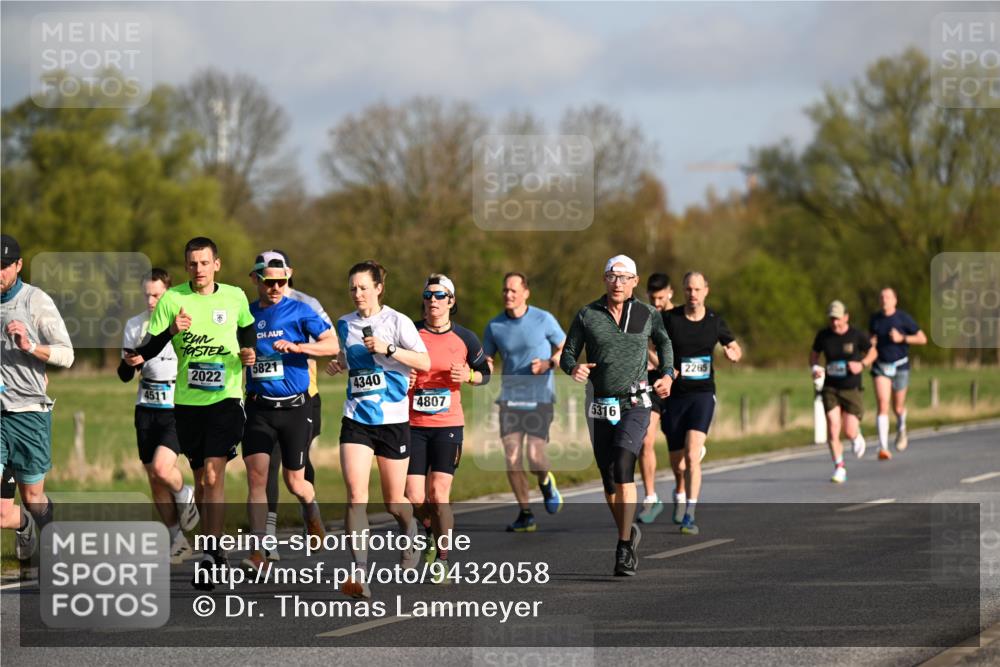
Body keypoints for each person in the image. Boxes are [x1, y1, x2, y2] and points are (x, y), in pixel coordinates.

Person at [125, 237, 256, 590]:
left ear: (217, 264)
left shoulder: (234, 297)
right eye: (192, 263)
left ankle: (211, 555)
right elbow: (149, 348)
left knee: (213, 477)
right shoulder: (173, 299)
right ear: (186, 267)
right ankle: (215, 546)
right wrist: (171, 331)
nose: (198, 269)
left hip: (226, 398)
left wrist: (249, 351)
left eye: (204, 262)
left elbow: (247, 327)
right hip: (186, 403)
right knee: (200, 481)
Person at [560, 255, 674, 577]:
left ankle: (624, 546)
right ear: (604, 279)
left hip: (636, 402)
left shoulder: (647, 314)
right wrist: (574, 368)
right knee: (609, 478)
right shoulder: (588, 315)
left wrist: (666, 374)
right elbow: (568, 354)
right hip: (599, 405)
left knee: (625, 463)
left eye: (625, 278)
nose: (618, 283)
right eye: (612, 276)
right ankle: (628, 531)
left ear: (635, 282)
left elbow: (664, 343)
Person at [326, 261, 430, 599]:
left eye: (363, 287)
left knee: (393, 502)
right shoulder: (344, 323)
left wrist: (389, 349)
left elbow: (424, 362)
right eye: (353, 288)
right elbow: (347, 355)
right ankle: (359, 573)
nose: (357, 293)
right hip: (356, 417)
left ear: (378, 288)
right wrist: (339, 363)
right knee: (356, 496)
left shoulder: (397, 322)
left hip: (393, 419)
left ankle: (409, 526)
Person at [241, 254, 339, 572]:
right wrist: (242, 355)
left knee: (295, 481)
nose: (275, 287)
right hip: (258, 407)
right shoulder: (246, 314)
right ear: (256, 279)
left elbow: (332, 345)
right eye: (269, 282)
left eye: (281, 281)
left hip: (295, 408)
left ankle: (311, 513)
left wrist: (298, 348)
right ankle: (259, 551)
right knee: (256, 478)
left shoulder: (300, 310)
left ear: (289, 277)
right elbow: (230, 348)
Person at [405, 274, 491, 583]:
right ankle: (429, 531)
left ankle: (443, 557)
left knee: (438, 495)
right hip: (412, 424)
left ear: (451, 301)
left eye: (439, 296)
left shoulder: (465, 338)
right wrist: (406, 380)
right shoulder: (410, 333)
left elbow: (485, 373)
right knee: (414, 495)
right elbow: (390, 368)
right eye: (428, 296)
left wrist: (468, 375)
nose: (432, 301)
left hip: (448, 425)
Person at [0, 234, 74, 564]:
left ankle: (37, 526)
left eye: (3, 267)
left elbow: (66, 355)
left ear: (18, 265)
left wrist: (29, 346)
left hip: (28, 414)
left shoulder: (35, 301)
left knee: (33, 497)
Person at [118, 268, 199, 564]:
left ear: (169, 292)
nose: (151, 301)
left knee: (164, 469)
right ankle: (176, 538)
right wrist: (130, 363)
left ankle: (184, 491)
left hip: (176, 407)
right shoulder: (135, 325)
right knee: (153, 477)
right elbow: (124, 375)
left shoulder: (183, 322)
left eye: (157, 295)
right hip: (146, 408)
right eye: (146, 295)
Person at [483, 272, 566, 532]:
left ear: (525, 293)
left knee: (534, 455)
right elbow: (486, 358)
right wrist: (481, 368)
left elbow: (566, 349)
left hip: (540, 397)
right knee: (512, 458)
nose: (508, 295)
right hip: (509, 399)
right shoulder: (494, 326)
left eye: (513, 290)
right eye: (505, 290)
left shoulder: (543, 319)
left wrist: (548, 363)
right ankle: (526, 513)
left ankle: (545, 481)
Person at [660, 272, 742, 535]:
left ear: (706, 290)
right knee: (678, 463)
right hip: (674, 397)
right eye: (688, 290)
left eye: (697, 289)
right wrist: (665, 369)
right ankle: (679, 488)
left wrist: (733, 353)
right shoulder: (670, 319)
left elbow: (734, 346)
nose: (693, 294)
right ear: (683, 292)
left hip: (703, 395)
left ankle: (690, 515)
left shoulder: (714, 321)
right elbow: (650, 345)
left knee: (693, 455)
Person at [810, 300, 877, 483]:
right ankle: (839, 467)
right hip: (830, 387)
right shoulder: (823, 336)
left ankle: (856, 435)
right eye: (832, 319)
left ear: (846, 317)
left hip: (851, 387)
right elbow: (814, 354)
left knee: (848, 430)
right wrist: (815, 368)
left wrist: (862, 364)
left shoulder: (856, 335)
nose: (834, 322)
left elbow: (872, 352)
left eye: (838, 319)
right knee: (833, 427)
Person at [869, 287, 926, 460]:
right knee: (882, 403)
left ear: (895, 300)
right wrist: (870, 344)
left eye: (887, 297)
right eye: (881, 297)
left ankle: (901, 428)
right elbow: (871, 341)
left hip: (900, 366)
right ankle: (883, 447)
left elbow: (922, 339)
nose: (884, 300)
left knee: (898, 407)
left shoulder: (903, 318)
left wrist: (903, 338)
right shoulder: (875, 319)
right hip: (881, 366)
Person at [637, 272, 674, 524]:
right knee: (646, 440)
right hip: (651, 384)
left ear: (670, 292)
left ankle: (682, 491)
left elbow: (670, 362)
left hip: (679, 387)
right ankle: (651, 497)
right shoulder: (644, 315)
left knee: (681, 452)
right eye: (652, 297)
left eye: (660, 297)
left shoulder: (678, 318)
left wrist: (648, 352)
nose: (657, 302)